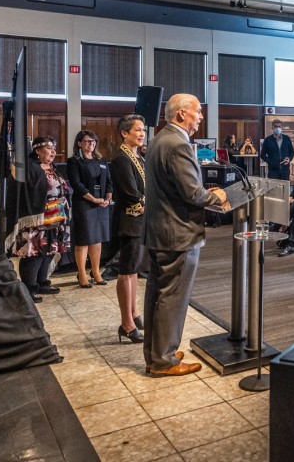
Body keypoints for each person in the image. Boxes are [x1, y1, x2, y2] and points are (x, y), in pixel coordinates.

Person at [143, 93, 227, 377]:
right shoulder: (178, 143)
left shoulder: (158, 139)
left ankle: (156, 353)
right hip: (177, 233)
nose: (201, 117)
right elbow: (192, 192)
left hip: (159, 231)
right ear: (181, 114)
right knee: (172, 297)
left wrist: (206, 194)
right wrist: (219, 198)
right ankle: (164, 361)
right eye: (198, 112)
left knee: (157, 293)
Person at [6, 136, 72, 303]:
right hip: (35, 219)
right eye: (49, 148)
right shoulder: (30, 169)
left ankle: (43, 282)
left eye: (54, 149)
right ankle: (29, 288)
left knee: (49, 250)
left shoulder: (51, 167)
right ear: (37, 151)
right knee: (34, 253)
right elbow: (24, 194)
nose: (53, 152)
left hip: (55, 216)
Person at [108, 114, 148, 344]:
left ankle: (134, 312)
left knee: (133, 270)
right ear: (124, 133)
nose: (142, 134)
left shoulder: (138, 157)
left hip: (139, 221)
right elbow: (132, 195)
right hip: (129, 220)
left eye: (143, 130)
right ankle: (126, 323)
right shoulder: (121, 159)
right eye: (138, 130)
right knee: (126, 272)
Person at [67, 130, 112, 288]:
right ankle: (82, 274)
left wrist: (108, 197)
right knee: (84, 240)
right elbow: (76, 184)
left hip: (101, 204)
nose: (90, 144)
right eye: (86, 141)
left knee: (97, 240)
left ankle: (96, 272)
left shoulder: (101, 160)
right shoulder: (74, 161)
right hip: (84, 203)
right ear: (79, 143)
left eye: (93, 141)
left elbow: (108, 181)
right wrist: (93, 199)